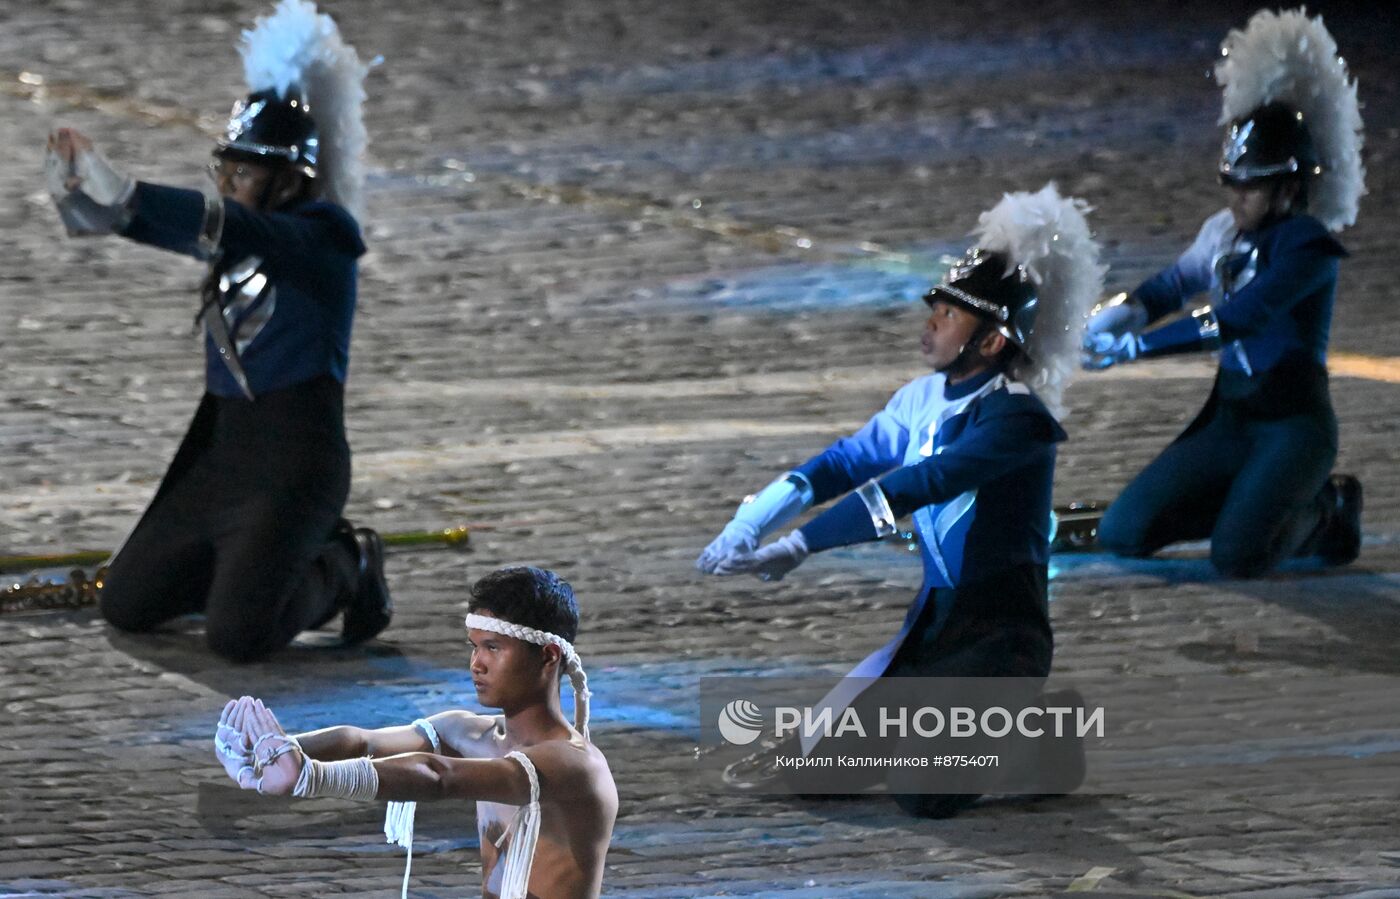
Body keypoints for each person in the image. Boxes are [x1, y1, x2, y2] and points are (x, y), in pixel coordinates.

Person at [698, 184, 1103, 816]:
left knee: (925, 794)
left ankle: (1046, 736)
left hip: (1000, 634)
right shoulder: (920, 399)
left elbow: (919, 485)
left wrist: (804, 543)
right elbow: (844, 462)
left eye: (950, 315)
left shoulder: (1018, 420)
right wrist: (755, 518)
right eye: (935, 309)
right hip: (934, 624)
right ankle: (940, 729)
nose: (931, 324)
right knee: (820, 775)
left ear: (992, 341)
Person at [44, 0, 390, 661]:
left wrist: (130, 194)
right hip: (224, 457)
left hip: (294, 466)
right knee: (128, 603)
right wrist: (96, 207)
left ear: (291, 178)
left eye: (245, 173)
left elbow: (231, 226)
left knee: (238, 637)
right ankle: (250, 572)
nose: (230, 186)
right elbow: (183, 226)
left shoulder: (325, 236)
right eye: (224, 172)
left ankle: (346, 563)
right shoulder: (242, 233)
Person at [1081, 8, 1366, 578]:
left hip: (1293, 425)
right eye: (1232, 184)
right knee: (1123, 533)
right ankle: (1251, 502)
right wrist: (1126, 313)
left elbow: (1239, 317)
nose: (1237, 198)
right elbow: (1175, 283)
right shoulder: (1224, 231)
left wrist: (1138, 351)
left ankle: (1327, 512)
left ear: (1288, 187)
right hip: (1231, 417)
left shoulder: (1309, 247)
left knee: (1239, 558)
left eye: (1251, 186)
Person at [215, 566, 617, 899]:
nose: (476, 663)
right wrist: (277, 749)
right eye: (473, 646)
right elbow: (363, 741)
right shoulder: (471, 733)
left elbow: (440, 776)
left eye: (493, 648)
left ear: (548, 656)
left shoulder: (573, 764)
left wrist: (310, 776)